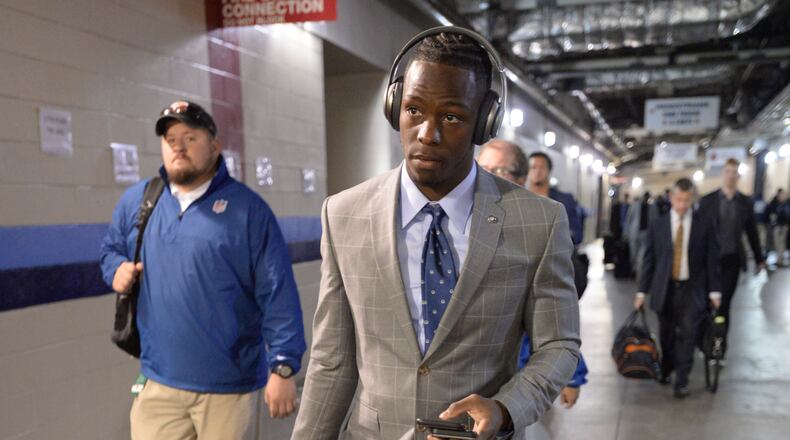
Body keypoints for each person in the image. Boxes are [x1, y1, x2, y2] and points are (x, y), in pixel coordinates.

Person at [292, 28, 580, 440]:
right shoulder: (344, 214)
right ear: (395, 108)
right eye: (413, 110)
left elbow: (559, 345)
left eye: (451, 116)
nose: (428, 133)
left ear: (484, 122)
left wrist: (504, 408)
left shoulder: (539, 221)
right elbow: (331, 360)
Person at [100, 101, 306, 439]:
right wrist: (115, 270)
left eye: (190, 137)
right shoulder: (140, 200)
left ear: (214, 145)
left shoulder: (248, 210)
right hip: (158, 381)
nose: (178, 147)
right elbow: (110, 249)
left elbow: (276, 291)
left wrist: (283, 366)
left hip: (228, 387)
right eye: (170, 138)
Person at [478, 139, 589, 409]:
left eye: (501, 171)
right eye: (484, 169)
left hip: (523, 367)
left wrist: (572, 378)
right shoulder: (466, 220)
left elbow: (557, 322)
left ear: (521, 177)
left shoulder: (544, 221)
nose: (490, 178)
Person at [634, 178, 721, 398]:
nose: (682, 205)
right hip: (665, 289)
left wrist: (715, 291)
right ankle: (667, 368)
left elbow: (712, 259)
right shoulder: (658, 225)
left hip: (692, 289)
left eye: (686, 200)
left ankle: (682, 381)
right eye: (679, 200)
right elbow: (649, 260)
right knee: (667, 336)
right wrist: (641, 292)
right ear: (672, 198)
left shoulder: (704, 223)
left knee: (689, 335)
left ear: (692, 199)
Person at [698, 158, 765, 353]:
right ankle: (706, 340)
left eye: (734, 172)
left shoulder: (744, 203)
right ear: (722, 174)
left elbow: (751, 232)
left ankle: (720, 345)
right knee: (706, 303)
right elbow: (699, 232)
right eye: (727, 172)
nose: (730, 176)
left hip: (732, 261)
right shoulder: (708, 201)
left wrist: (759, 258)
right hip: (708, 262)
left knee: (724, 304)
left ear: (738, 176)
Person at [524, 151, 584, 246]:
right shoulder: (520, 198)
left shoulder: (565, 200)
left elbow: (577, 234)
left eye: (542, 167)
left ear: (549, 170)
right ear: (527, 170)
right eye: (533, 167)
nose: (537, 172)